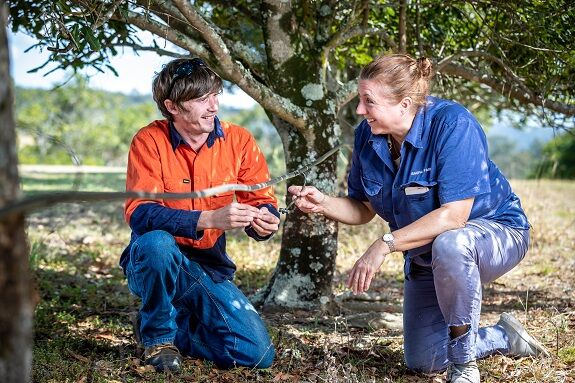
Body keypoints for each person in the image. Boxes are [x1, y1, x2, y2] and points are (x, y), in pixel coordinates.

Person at [288, 54, 549, 382]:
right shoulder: (366, 136)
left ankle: (465, 366)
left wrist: (384, 245)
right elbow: (363, 208)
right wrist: (322, 203)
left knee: (452, 244)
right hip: (427, 253)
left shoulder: (453, 124)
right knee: (425, 360)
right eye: (359, 100)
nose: (359, 110)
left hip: (495, 232)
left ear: (404, 104)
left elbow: (454, 217)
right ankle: (503, 336)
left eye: (368, 102)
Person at [120, 57, 280, 373]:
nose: (213, 106)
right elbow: (140, 214)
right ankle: (158, 340)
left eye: (215, 95)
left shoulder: (240, 140)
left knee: (258, 356)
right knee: (157, 244)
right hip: (153, 261)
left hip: (207, 266)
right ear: (173, 106)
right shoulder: (149, 140)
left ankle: (174, 325)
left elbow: (261, 199)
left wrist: (265, 221)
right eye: (201, 99)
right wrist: (206, 219)